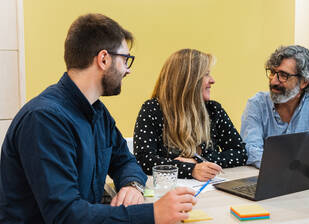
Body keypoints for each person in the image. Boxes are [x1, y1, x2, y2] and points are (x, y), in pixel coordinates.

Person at [0, 13, 196, 224]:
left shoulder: (98, 112)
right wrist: (152, 214)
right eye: (125, 60)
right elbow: (65, 216)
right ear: (104, 59)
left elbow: (125, 161)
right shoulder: (44, 119)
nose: (128, 70)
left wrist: (132, 185)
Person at [133, 49, 247, 182]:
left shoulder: (214, 110)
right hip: (169, 192)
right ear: (188, 80)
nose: (212, 80)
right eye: (206, 75)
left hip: (210, 191)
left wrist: (197, 161)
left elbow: (240, 153)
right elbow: (144, 160)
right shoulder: (153, 109)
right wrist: (190, 169)